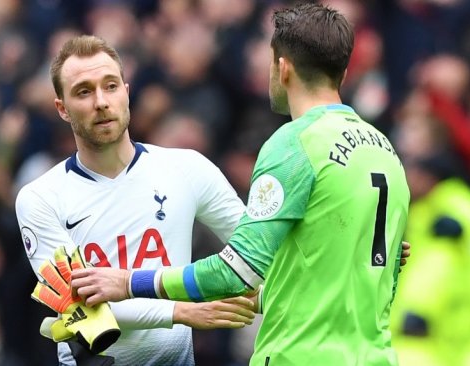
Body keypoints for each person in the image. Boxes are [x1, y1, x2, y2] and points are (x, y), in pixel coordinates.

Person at [71, 4, 411, 366]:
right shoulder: (385, 150)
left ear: (282, 67)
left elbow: (235, 272)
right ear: (342, 71)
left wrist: (129, 282)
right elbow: (373, 279)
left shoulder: (295, 145)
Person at [14, 35, 257, 366]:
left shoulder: (187, 168)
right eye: (84, 91)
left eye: (110, 86)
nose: (101, 101)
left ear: (127, 92)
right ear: (62, 109)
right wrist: (182, 311)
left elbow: (256, 253)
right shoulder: (40, 197)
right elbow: (80, 306)